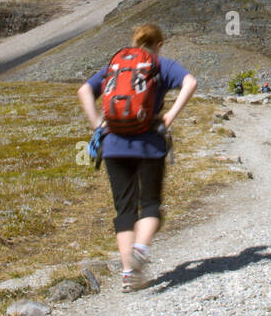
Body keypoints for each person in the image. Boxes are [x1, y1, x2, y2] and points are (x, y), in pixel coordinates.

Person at [78, 23, 197, 292]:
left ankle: (128, 272)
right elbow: (191, 82)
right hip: (149, 145)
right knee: (151, 205)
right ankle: (140, 250)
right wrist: (169, 116)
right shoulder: (162, 64)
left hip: (114, 145)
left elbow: (84, 90)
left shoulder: (117, 65)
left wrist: (98, 123)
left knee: (125, 211)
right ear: (159, 43)